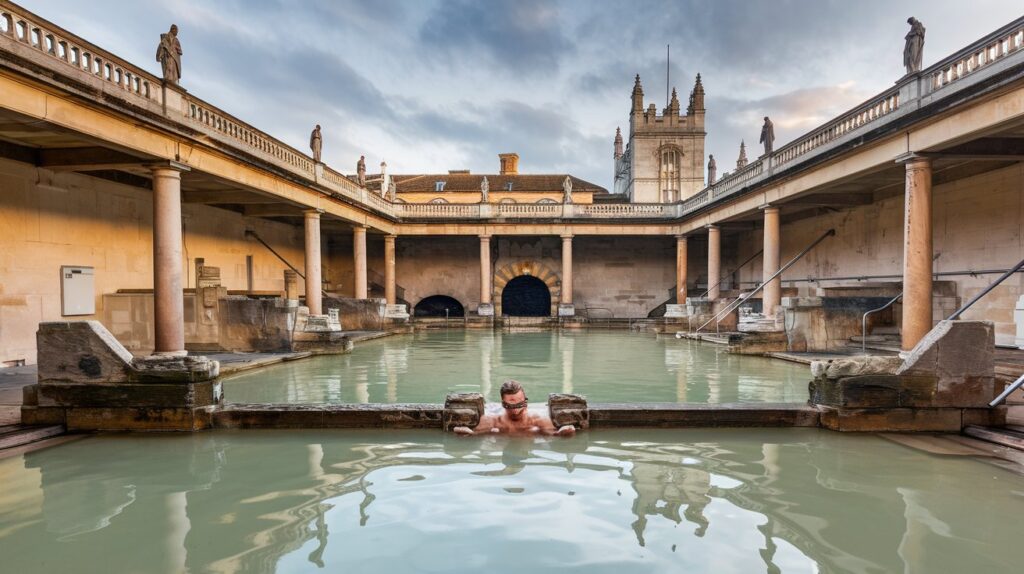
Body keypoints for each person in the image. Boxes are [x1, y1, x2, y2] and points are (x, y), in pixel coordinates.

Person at [454, 380, 575, 436]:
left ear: (525, 402)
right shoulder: (492, 421)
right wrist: (467, 433)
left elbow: (555, 435)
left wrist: (564, 431)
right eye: (509, 406)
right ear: (502, 404)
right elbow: (474, 436)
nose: (515, 410)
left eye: (519, 405)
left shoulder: (537, 420)